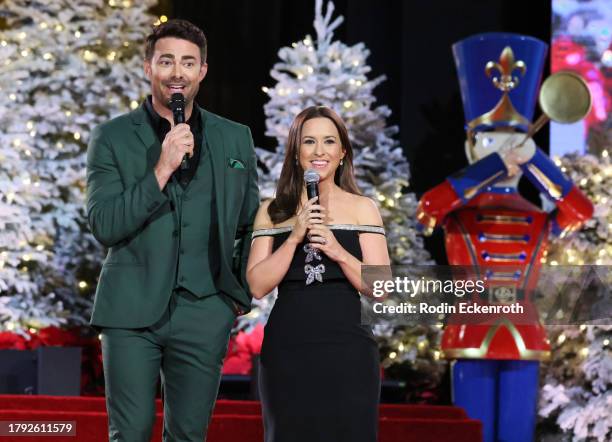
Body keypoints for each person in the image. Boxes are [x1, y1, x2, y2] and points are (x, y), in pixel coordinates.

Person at [85, 19, 259, 441]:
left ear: (202, 70)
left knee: (188, 436)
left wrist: (233, 291)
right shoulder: (111, 138)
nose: (177, 72)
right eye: (166, 61)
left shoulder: (235, 139)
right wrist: (161, 168)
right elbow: (105, 224)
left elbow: (250, 223)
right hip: (130, 312)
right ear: (148, 68)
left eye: (188, 62)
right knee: (130, 433)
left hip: (205, 310)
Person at [246, 106, 390, 442]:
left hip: (348, 350)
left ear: (342, 153)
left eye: (329, 141)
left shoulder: (362, 208)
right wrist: (295, 235)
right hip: (288, 349)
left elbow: (381, 287)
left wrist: (338, 250)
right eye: (309, 141)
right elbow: (256, 285)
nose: (319, 151)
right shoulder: (272, 210)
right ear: (296, 152)